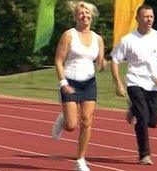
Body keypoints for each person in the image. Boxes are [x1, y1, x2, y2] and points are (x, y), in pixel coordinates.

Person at [110, 4, 157, 165]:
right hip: (135, 82)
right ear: (137, 18)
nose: (149, 20)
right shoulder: (128, 40)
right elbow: (115, 61)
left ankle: (133, 109)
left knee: (152, 121)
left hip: (154, 85)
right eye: (145, 17)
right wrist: (118, 83)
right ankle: (144, 155)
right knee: (143, 119)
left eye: (151, 17)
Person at [52, 1, 106, 171]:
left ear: (92, 16)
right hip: (70, 81)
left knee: (87, 121)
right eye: (81, 13)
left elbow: (99, 61)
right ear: (75, 16)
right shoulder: (69, 35)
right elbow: (59, 60)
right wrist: (63, 83)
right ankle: (63, 119)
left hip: (89, 82)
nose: (85, 16)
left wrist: (103, 63)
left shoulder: (98, 39)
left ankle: (80, 159)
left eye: (87, 13)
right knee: (71, 125)